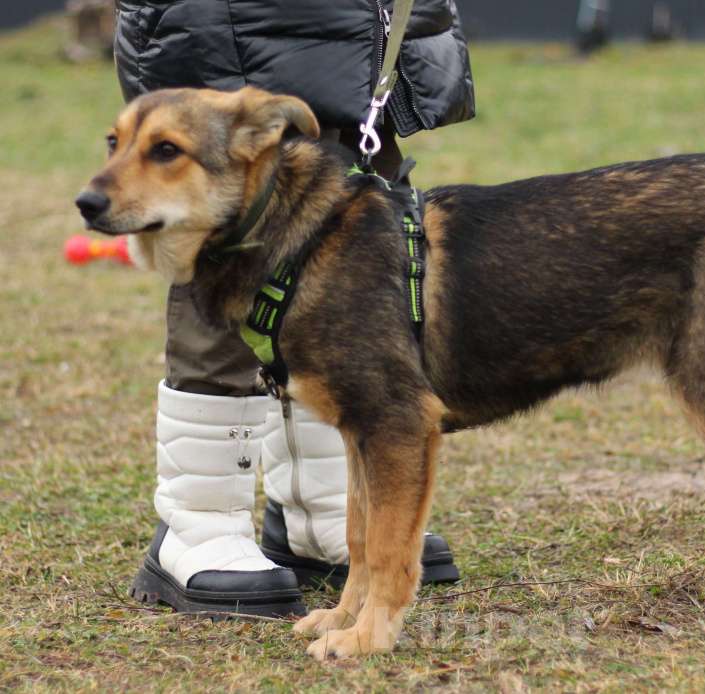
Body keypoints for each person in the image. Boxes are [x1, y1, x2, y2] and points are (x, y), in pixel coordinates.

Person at [114, 0, 475, 617]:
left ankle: (321, 509)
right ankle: (200, 521)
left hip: (370, 27)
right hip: (227, 27)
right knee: (227, 233)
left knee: (362, 235)